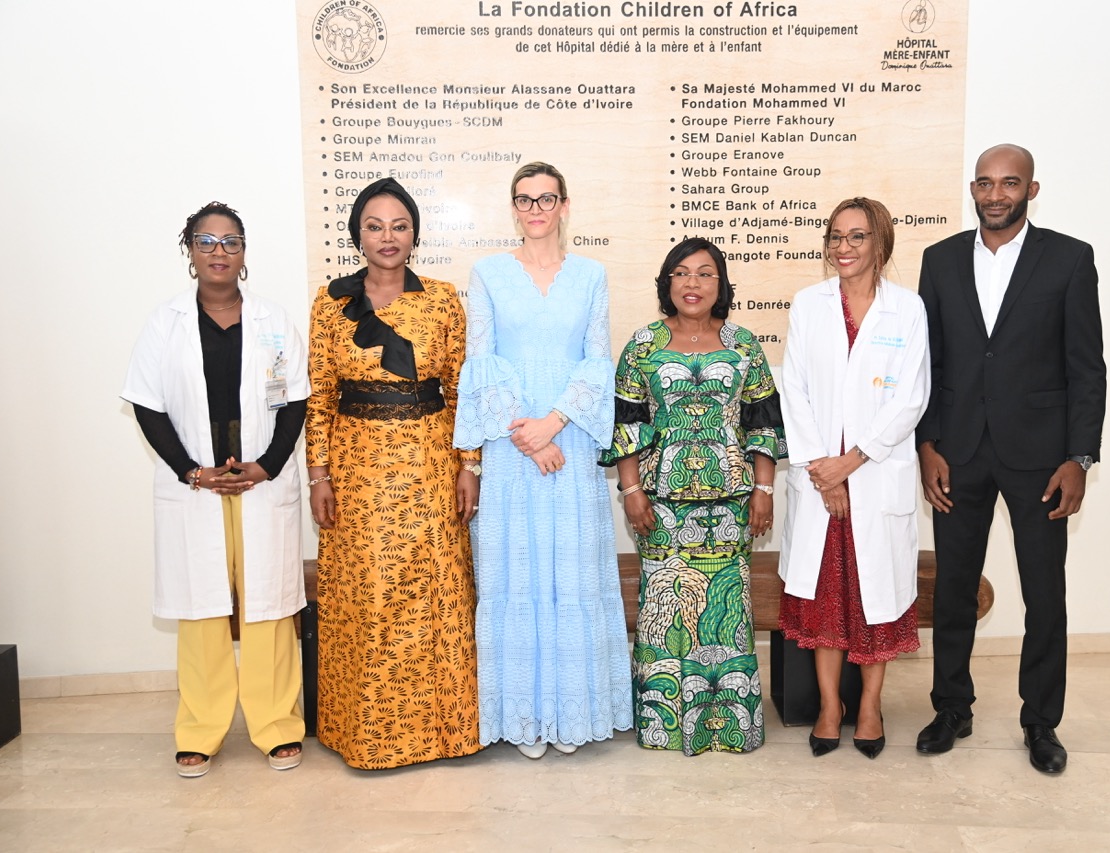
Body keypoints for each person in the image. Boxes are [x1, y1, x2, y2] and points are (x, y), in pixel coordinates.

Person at [915, 144, 1106, 774]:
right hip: (959, 453)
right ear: (972, 189)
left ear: (1032, 189)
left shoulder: (1071, 259)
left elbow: (1086, 367)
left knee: (1044, 593)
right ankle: (952, 708)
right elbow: (931, 364)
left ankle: (1041, 723)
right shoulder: (939, 260)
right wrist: (927, 445)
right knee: (953, 592)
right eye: (985, 184)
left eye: (1010, 183)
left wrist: (1079, 455)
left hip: (1042, 458)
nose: (996, 194)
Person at [122, 201, 308, 777]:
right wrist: (189, 471)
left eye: (230, 242)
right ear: (190, 252)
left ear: (245, 254)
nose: (219, 252)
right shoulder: (166, 322)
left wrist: (268, 466)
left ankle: (276, 725)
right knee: (201, 608)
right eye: (206, 241)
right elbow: (147, 406)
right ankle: (199, 731)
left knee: (269, 607)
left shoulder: (275, 320)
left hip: (260, 483)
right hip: (196, 487)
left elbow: (295, 400)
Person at [454, 162, 632, 759]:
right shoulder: (486, 274)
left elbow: (596, 362)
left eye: (546, 199)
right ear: (513, 207)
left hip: (571, 444)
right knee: (516, 573)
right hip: (509, 451)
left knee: (570, 570)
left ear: (563, 205)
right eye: (524, 200)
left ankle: (572, 713)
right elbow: (480, 362)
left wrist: (553, 424)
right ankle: (525, 717)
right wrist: (527, 435)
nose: (535, 209)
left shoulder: (590, 276)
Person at [306, 178, 482, 770]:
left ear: (414, 235)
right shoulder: (330, 303)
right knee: (370, 596)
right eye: (375, 226)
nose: (388, 237)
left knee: (435, 592)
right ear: (357, 233)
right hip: (357, 469)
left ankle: (442, 734)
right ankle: (366, 733)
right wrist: (318, 474)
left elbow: (462, 390)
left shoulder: (440, 299)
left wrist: (469, 466)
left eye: (399, 226)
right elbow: (320, 397)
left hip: (430, 463)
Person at [602, 237, 786, 755]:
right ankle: (665, 727)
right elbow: (628, 425)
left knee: (727, 613)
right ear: (666, 284)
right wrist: (631, 490)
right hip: (661, 505)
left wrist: (764, 489)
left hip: (730, 504)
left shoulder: (745, 344)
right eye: (681, 274)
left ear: (721, 285)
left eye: (705, 274)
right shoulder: (643, 345)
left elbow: (763, 424)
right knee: (666, 613)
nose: (692, 284)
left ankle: (728, 727)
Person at [777, 197, 930, 759]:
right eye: (835, 236)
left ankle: (868, 706)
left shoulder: (907, 310)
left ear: (880, 244)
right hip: (822, 482)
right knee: (824, 601)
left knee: (875, 600)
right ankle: (829, 706)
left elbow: (910, 398)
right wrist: (824, 467)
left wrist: (853, 459)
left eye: (857, 237)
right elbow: (794, 389)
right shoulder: (808, 304)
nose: (843, 247)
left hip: (874, 474)